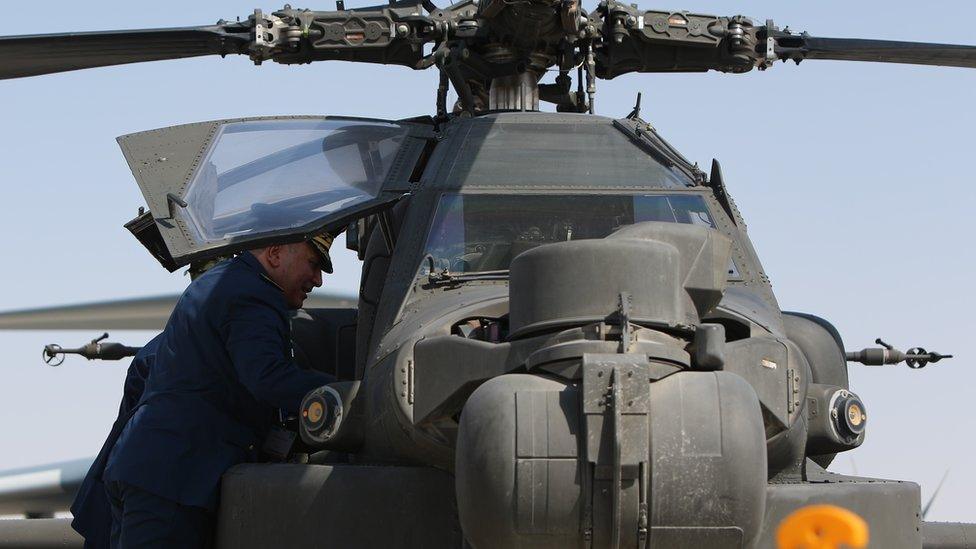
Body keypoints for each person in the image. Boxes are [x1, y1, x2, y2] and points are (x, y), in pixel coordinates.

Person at [84, 235, 335, 548]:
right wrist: (344, 393)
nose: (318, 279)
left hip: (148, 471)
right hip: (176, 481)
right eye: (312, 264)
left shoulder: (219, 282)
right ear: (274, 254)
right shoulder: (253, 294)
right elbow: (268, 378)